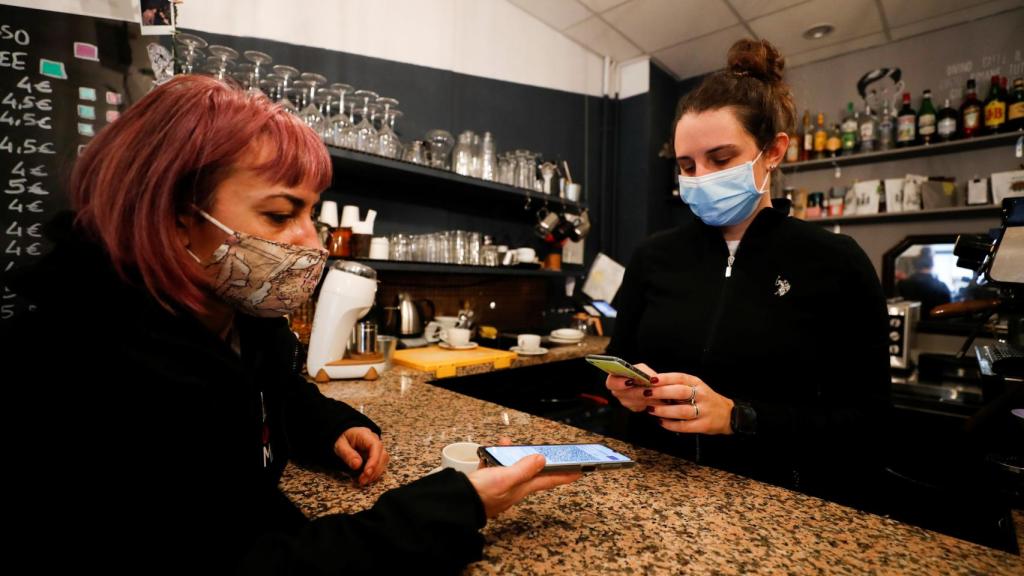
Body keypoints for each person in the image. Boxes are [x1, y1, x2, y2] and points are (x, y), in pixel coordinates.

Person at [7, 75, 577, 573]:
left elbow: (271, 387)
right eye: (281, 215)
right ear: (174, 222)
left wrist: (326, 425)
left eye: (312, 214)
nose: (312, 242)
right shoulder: (76, 369)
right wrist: (454, 507)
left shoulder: (241, 316)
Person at [603, 39, 890, 506]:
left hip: (774, 505)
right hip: (654, 494)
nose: (700, 177)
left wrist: (739, 416)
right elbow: (619, 357)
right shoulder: (653, 257)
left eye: (720, 160)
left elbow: (869, 421)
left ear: (773, 151)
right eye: (686, 166)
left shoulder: (835, 261)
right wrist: (624, 388)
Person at [897, 247, 951, 316]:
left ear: (916, 266)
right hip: (934, 324)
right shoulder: (942, 286)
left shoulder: (902, 284)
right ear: (932, 265)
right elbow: (947, 312)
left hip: (908, 323)